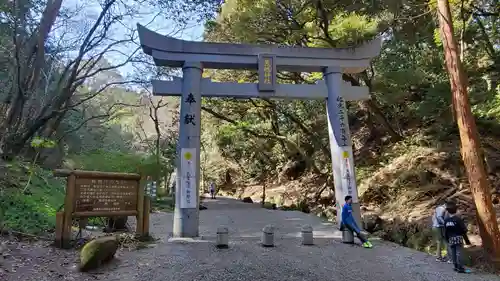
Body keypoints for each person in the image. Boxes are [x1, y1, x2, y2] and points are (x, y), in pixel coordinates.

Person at [444, 203, 471, 273]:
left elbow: (446, 231)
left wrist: (447, 239)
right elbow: (464, 230)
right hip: (458, 237)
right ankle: (460, 268)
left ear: (448, 211)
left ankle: (455, 267)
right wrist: (467, 240)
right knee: (459, 253)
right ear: (456, 211)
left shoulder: (446, 220)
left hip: (450, 238)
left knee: (453, 252)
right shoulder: (458, 219)